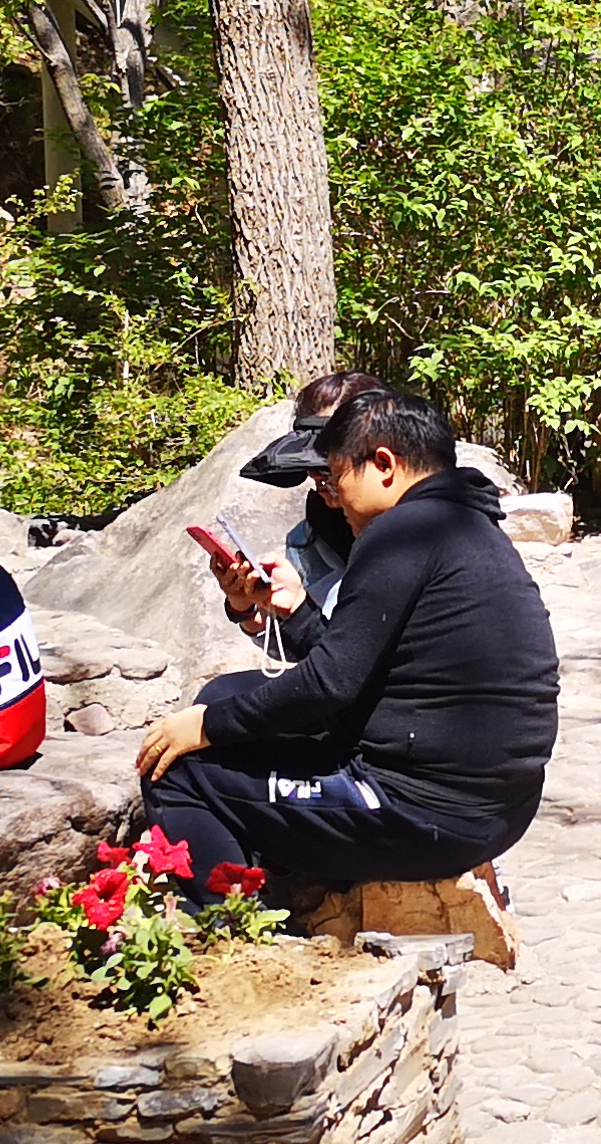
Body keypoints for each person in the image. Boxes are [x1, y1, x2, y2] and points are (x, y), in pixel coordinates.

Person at [135, 393, 561, 888]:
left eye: (336, 481)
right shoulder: (463, 525)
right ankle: (290, 880)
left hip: (426, 815)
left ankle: (226, 935)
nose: (332, 499)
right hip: (497, 809)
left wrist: (206, 727)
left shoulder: (401, 532)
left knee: (181, 768)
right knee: (226, 699)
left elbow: (329, 684)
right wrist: (291, 613)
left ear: (384, 465)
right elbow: (360, 664)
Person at [222, 368, 395, 651]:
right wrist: (247, 608)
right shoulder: (310, 538)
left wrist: (298, 607)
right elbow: (300, 653)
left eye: (328, 463)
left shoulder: (422, 535)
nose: (318, 476)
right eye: (311, 465)